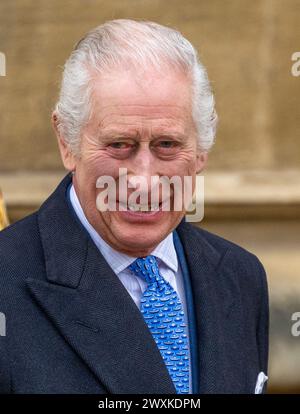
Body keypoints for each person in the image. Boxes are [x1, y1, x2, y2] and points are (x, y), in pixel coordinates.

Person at [0, 19, 268, 394]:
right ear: (66, 141)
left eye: (167, 145)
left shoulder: (240, 277)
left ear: (202, 149)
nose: (142, 180)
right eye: (119, 145)